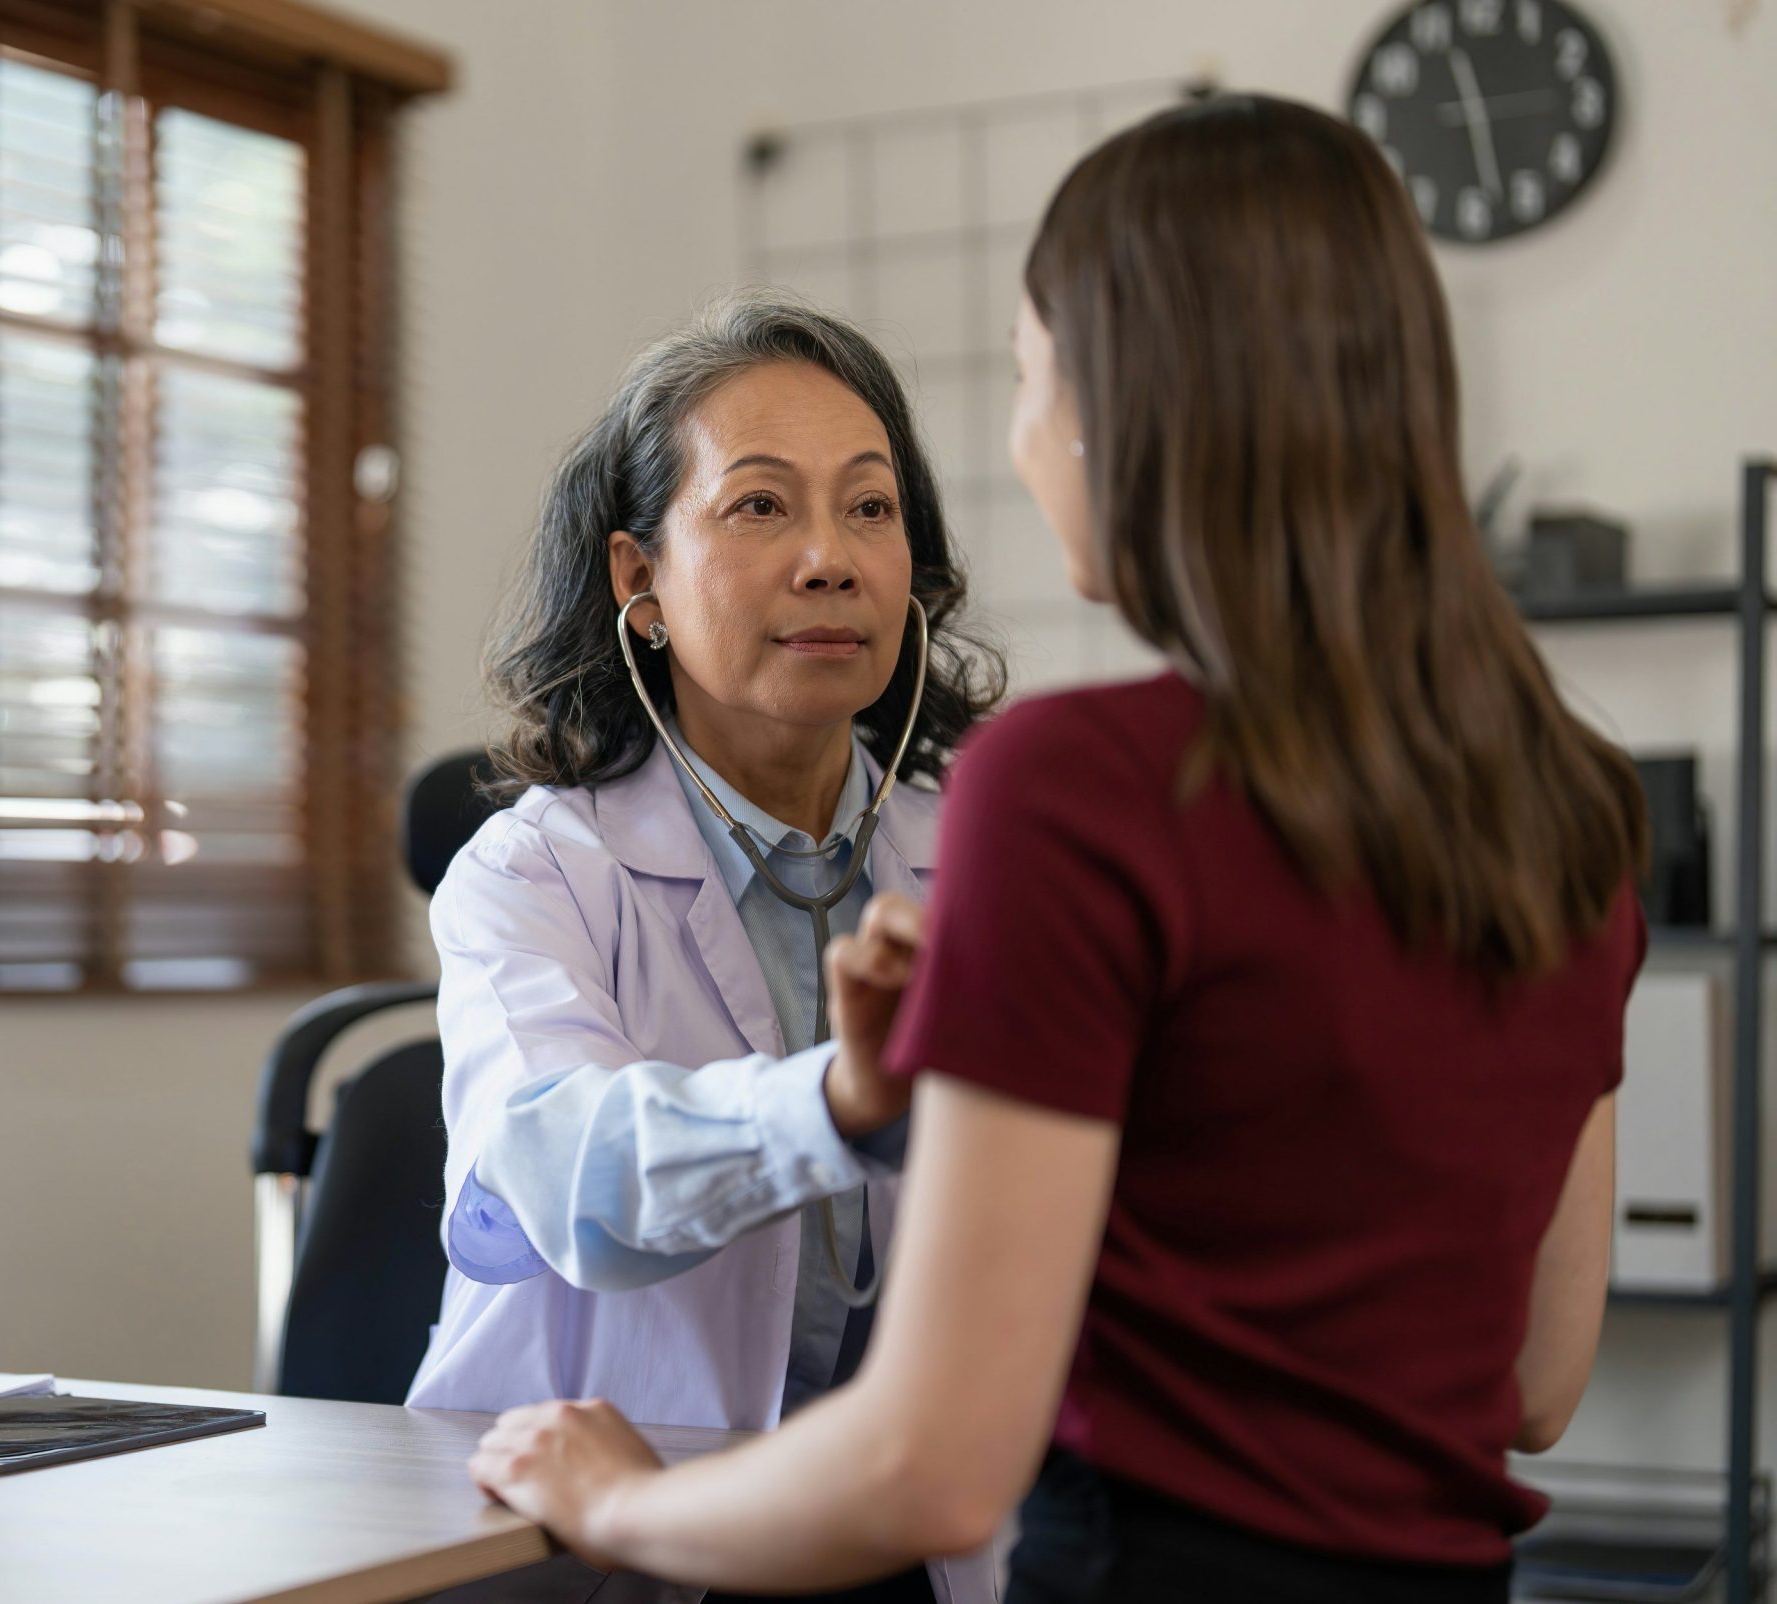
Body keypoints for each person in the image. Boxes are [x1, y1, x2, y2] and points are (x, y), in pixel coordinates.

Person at [465, 93, 1647, 1604]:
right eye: (761, 506)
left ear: (1118, 406)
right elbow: (1538, 1380)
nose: (1019, 444)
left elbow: (935, 1461)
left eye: (1028, 378)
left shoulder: (1072, 793)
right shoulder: (1576, 806)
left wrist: (623, 1506)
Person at [405, 291, 1005, 1603]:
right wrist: (834, 1104)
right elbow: (567, 1176)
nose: (831, 560)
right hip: (580, 1545)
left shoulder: (982, 864)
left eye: (870, 507)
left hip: (887, 1537)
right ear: (641, 583)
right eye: (759, 507)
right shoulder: (534, 872)